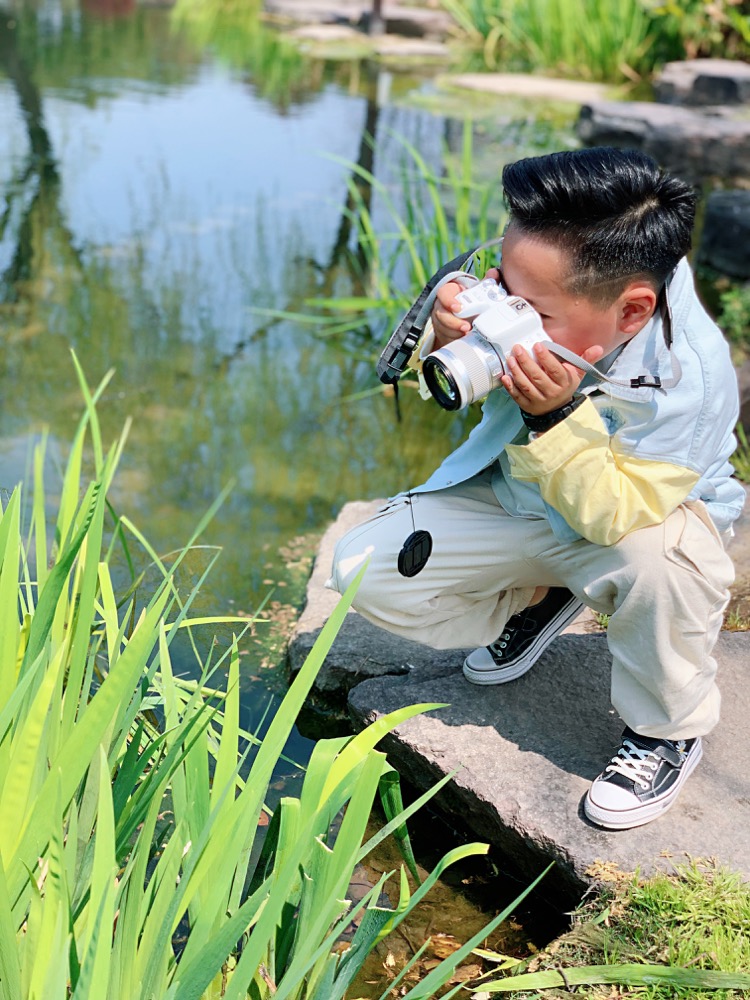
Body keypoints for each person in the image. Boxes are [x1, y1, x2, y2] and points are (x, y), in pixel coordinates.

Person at [327, 146, 745, 831]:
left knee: (664, 566)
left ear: (632, 312)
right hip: (522, 499)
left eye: (533, 311)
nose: (507, 320)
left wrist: (554, 417)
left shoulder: (684, 379)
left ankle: (668, 731)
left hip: (635, 524)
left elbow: (617, 515)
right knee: (361, 572)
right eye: (504, 289)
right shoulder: (561, 296)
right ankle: (545, 595)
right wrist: (447, 329)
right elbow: (449, 382)